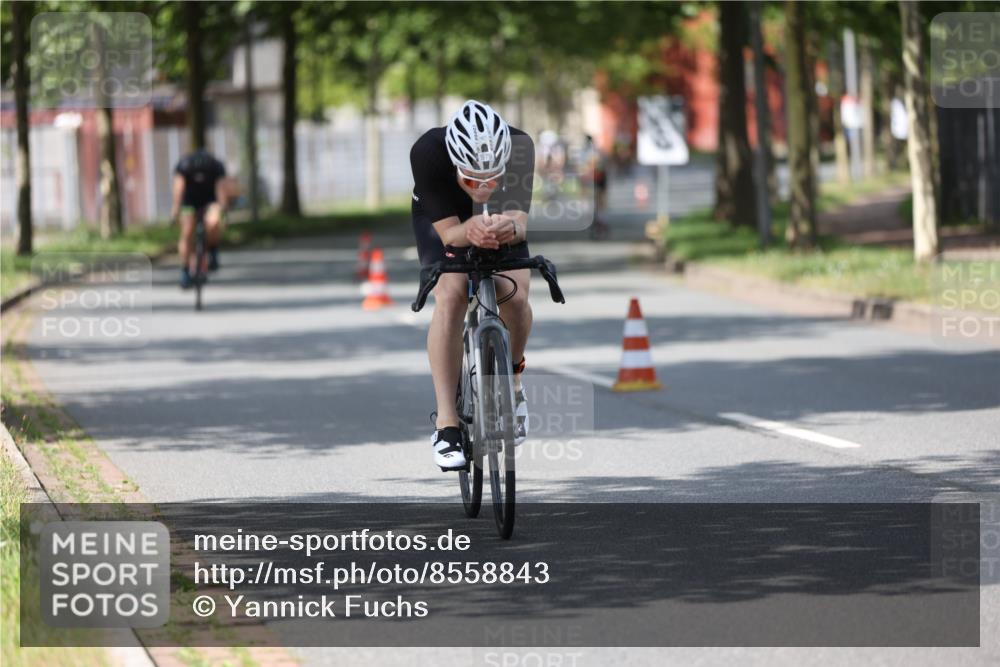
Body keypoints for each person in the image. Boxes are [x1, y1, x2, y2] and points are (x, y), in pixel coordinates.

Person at [410, 100, 535, 471]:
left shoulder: (520, 148)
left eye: (491, 179)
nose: (482, 187)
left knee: (515, 294)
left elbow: (519, 222)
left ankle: (512, 383)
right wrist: (469, 230)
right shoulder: (428, 153)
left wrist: (506, 227)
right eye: (472, 180)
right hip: (444, 216)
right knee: (450, 296)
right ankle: (447, 424)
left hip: (498, 217)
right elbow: (450, 234)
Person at [170, 149, 228, 289]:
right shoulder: (184, 166)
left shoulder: (215, 166)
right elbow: (179, 189)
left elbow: (221, 190)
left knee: (213, 222)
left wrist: (223, 212)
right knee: (187, 231)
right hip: (189, 202)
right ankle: (185, 270)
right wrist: (176, 210)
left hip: (210, 201)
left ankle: (213, 249)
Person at [579, 135, 609, 239]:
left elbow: (582, 169)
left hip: (596, 179)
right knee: (598, 202)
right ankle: (600, 220)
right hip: (596, 179)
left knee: (596, 201)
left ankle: (599, 220)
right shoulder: (597, 151)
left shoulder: (585, 152)